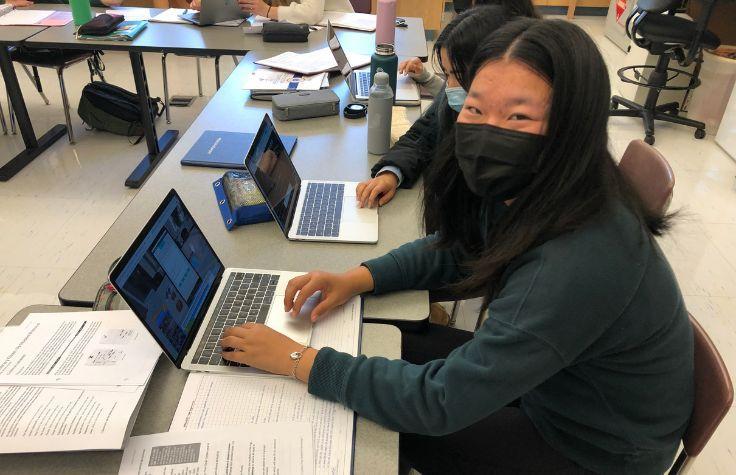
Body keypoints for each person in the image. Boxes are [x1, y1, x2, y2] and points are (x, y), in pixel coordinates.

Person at [218, 17, 694, 474]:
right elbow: (460, 249)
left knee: (366, 425)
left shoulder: (577, 260)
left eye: (519, 115)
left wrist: (298, 361)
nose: (487, 129)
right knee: (386, 337)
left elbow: (437, 402)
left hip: (590, 446)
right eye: (475, 107)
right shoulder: (543, 188)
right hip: (555, 381)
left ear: (572, 126)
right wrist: (356, 279)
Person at [356, 2, 539, 209]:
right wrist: (392, 171)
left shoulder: (518, 157)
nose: (448, 86)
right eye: (447, 74)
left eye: (456, 75)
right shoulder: (455, 97)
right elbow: (423, 134)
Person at [189, 0, 353, 25]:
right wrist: (209, 4)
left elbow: (311, 14)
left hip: (338, 29)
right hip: (296, 29)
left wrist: (266, 10)